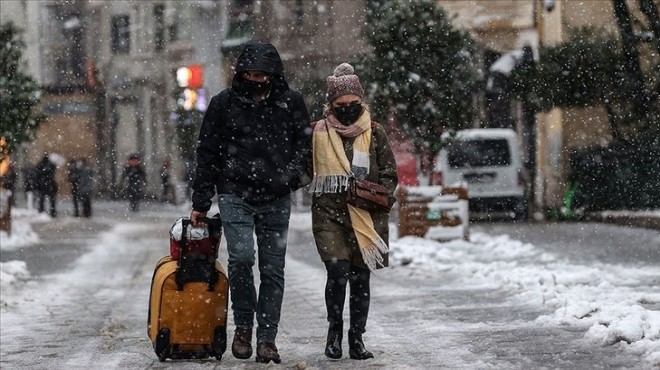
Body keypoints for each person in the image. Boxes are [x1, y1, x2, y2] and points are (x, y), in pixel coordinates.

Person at [189, 42, 311, 364]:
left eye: (263, 75)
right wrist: (200, 201)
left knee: (273, 269)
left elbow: (304, 144)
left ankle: (267, 338)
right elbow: (207, 153)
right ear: (240, 73)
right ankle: (243, 325)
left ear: (274, 75)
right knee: (241, 258)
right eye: (250, 74)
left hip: (276, 195)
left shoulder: (291, 103)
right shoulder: (223, 104)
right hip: (234, 192)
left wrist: (290, 176)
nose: (256, 80)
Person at [308, 63, 398, 360]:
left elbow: (389, 173)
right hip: (329, 214)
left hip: (366, 215)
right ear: (330, 105)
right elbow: (305, 170)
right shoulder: (317, 134)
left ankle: (356, 338)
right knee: (337, 273)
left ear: (362, 102)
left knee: (360, 278)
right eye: (340, 105)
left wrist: (377, 196)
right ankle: (334, 332)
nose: (347, 109)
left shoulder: (375, 132)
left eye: (353, 104)